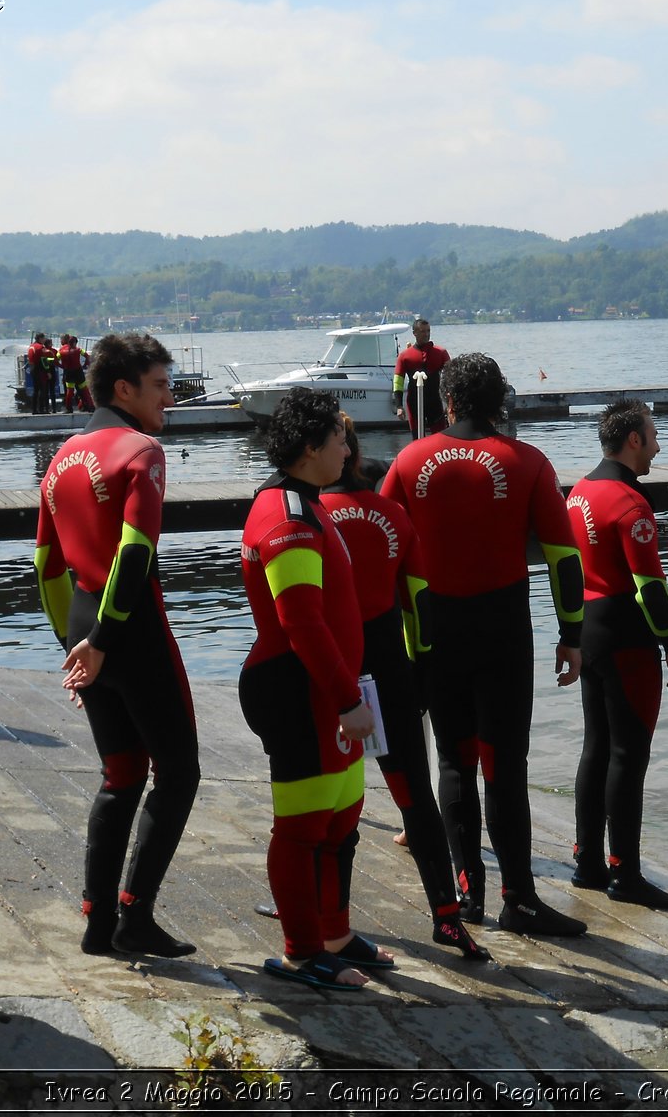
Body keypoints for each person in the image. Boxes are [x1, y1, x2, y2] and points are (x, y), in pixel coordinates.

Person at [380, 352, 587, 936]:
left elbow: (382, 549)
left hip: (433, 632)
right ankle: (518, 899)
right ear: (501, 402)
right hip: (502, 631)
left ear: (446, 401)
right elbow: (563, 558)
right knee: (505, 766)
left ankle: (465, 893)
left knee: (453, 760)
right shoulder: (527, 462)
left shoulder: (409, 460)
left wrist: (390, 636)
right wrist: (572, 634)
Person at [35, 333, 200, 958]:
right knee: (178, 774)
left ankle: (97, 921)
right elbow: (136, 551)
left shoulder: (63, 457)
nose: (170, 397)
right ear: (125, 389)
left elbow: (46, 564)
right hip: (128, 630)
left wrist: (73, 646)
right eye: (160, 385)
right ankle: (135, 915)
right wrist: (103, 641)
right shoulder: (142, 451)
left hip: (81, 621)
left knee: (120, 773)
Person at [320, 417, 490, 961]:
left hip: (330, 668)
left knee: (325, 800)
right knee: (415, 798)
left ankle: (315, 907)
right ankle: (446, 917)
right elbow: (419, 604)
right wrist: (419, 673)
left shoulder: (310, 517)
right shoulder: (394, 515)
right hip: (389, 667)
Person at [240, 387, 389, 990]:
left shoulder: (307, 501)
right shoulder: (288, 518)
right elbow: (301, 622)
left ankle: (335, 933)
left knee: (341, 815)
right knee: (303, 827)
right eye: (338, 439)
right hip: (297, 690)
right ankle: (302, 953)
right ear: (309, 449)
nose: (348, 447)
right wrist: (348, 700)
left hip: (328, 686)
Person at [566, 400, 668, 911]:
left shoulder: (578, 492)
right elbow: (649, 586)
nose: (658, 445)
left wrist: (568, 632)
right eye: (653, 435)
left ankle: (588, 861)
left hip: (588, 628)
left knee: (596, 747)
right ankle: (626, 874)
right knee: (628, 755)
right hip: (627, 636)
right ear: (633, 440)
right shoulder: (630, 504)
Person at [392, 318, 451, 438]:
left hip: (434, 401)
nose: (427, 334)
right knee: (417, 437)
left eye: (428, 330)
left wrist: (451, 402)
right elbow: (398, 381)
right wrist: (399, 406)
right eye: (423, 331)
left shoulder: (441, 353)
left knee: (440, 438)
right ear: (414, 333)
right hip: (414, 402)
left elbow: (452, 376)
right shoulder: (405, 356)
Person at [58, 334, 87, 414]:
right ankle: (87, 406)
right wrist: (85, 364)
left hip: (68, 372)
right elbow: (87, 355)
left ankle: (69, 408)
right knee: (83, 390)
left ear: (65, 340)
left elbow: (55, 359)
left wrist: (61, 366)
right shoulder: (78, 349)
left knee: (69, 391)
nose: (60, 341)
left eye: (61, 340)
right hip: (78, 371)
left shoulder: (62, 350)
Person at [26, 331, 48, 415]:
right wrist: (48, 371)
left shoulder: (31, 347)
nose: (45, 339)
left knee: (36, 390)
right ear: (40, 339)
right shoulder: (40, 347)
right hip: (40, 369)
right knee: (42, 390)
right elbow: (44, 360)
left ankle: (34, 409)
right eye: (44, 338)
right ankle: (41, 409)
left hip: (32, 369)